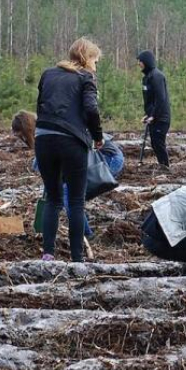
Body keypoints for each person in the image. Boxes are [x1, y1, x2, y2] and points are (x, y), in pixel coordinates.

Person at [34, 37, 104, 262]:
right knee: (75, 201)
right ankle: (77, 259)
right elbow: (91, 110)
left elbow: (40, 106)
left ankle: (48, 254)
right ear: (86, 58)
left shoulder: (48, 74)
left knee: (53, 198)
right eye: (95, 60)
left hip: (43, 138)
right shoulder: (86, 77)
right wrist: (98, 137)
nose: (96, 65)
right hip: (71, 141)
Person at [12, 110, 124, 241]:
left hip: (106, 159)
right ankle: (82, 224)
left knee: (69, 196)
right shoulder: (45, 129)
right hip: (89, 160)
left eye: (23, 136)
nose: (23, 140)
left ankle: (87, 236)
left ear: (28, 129)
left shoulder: (50, 130)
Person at [137, 50, 171, 168]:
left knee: (158, 143)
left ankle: (165, 166)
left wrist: (154, 115)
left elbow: (160, 98)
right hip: (154, 117)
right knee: (155, 143)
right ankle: (162, 165)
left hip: (161, 118)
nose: (139, 64)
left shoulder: (157, 76)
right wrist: (147, 114)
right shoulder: (147, 78)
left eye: (140, 61)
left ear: (146, 62)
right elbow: (150, 100)